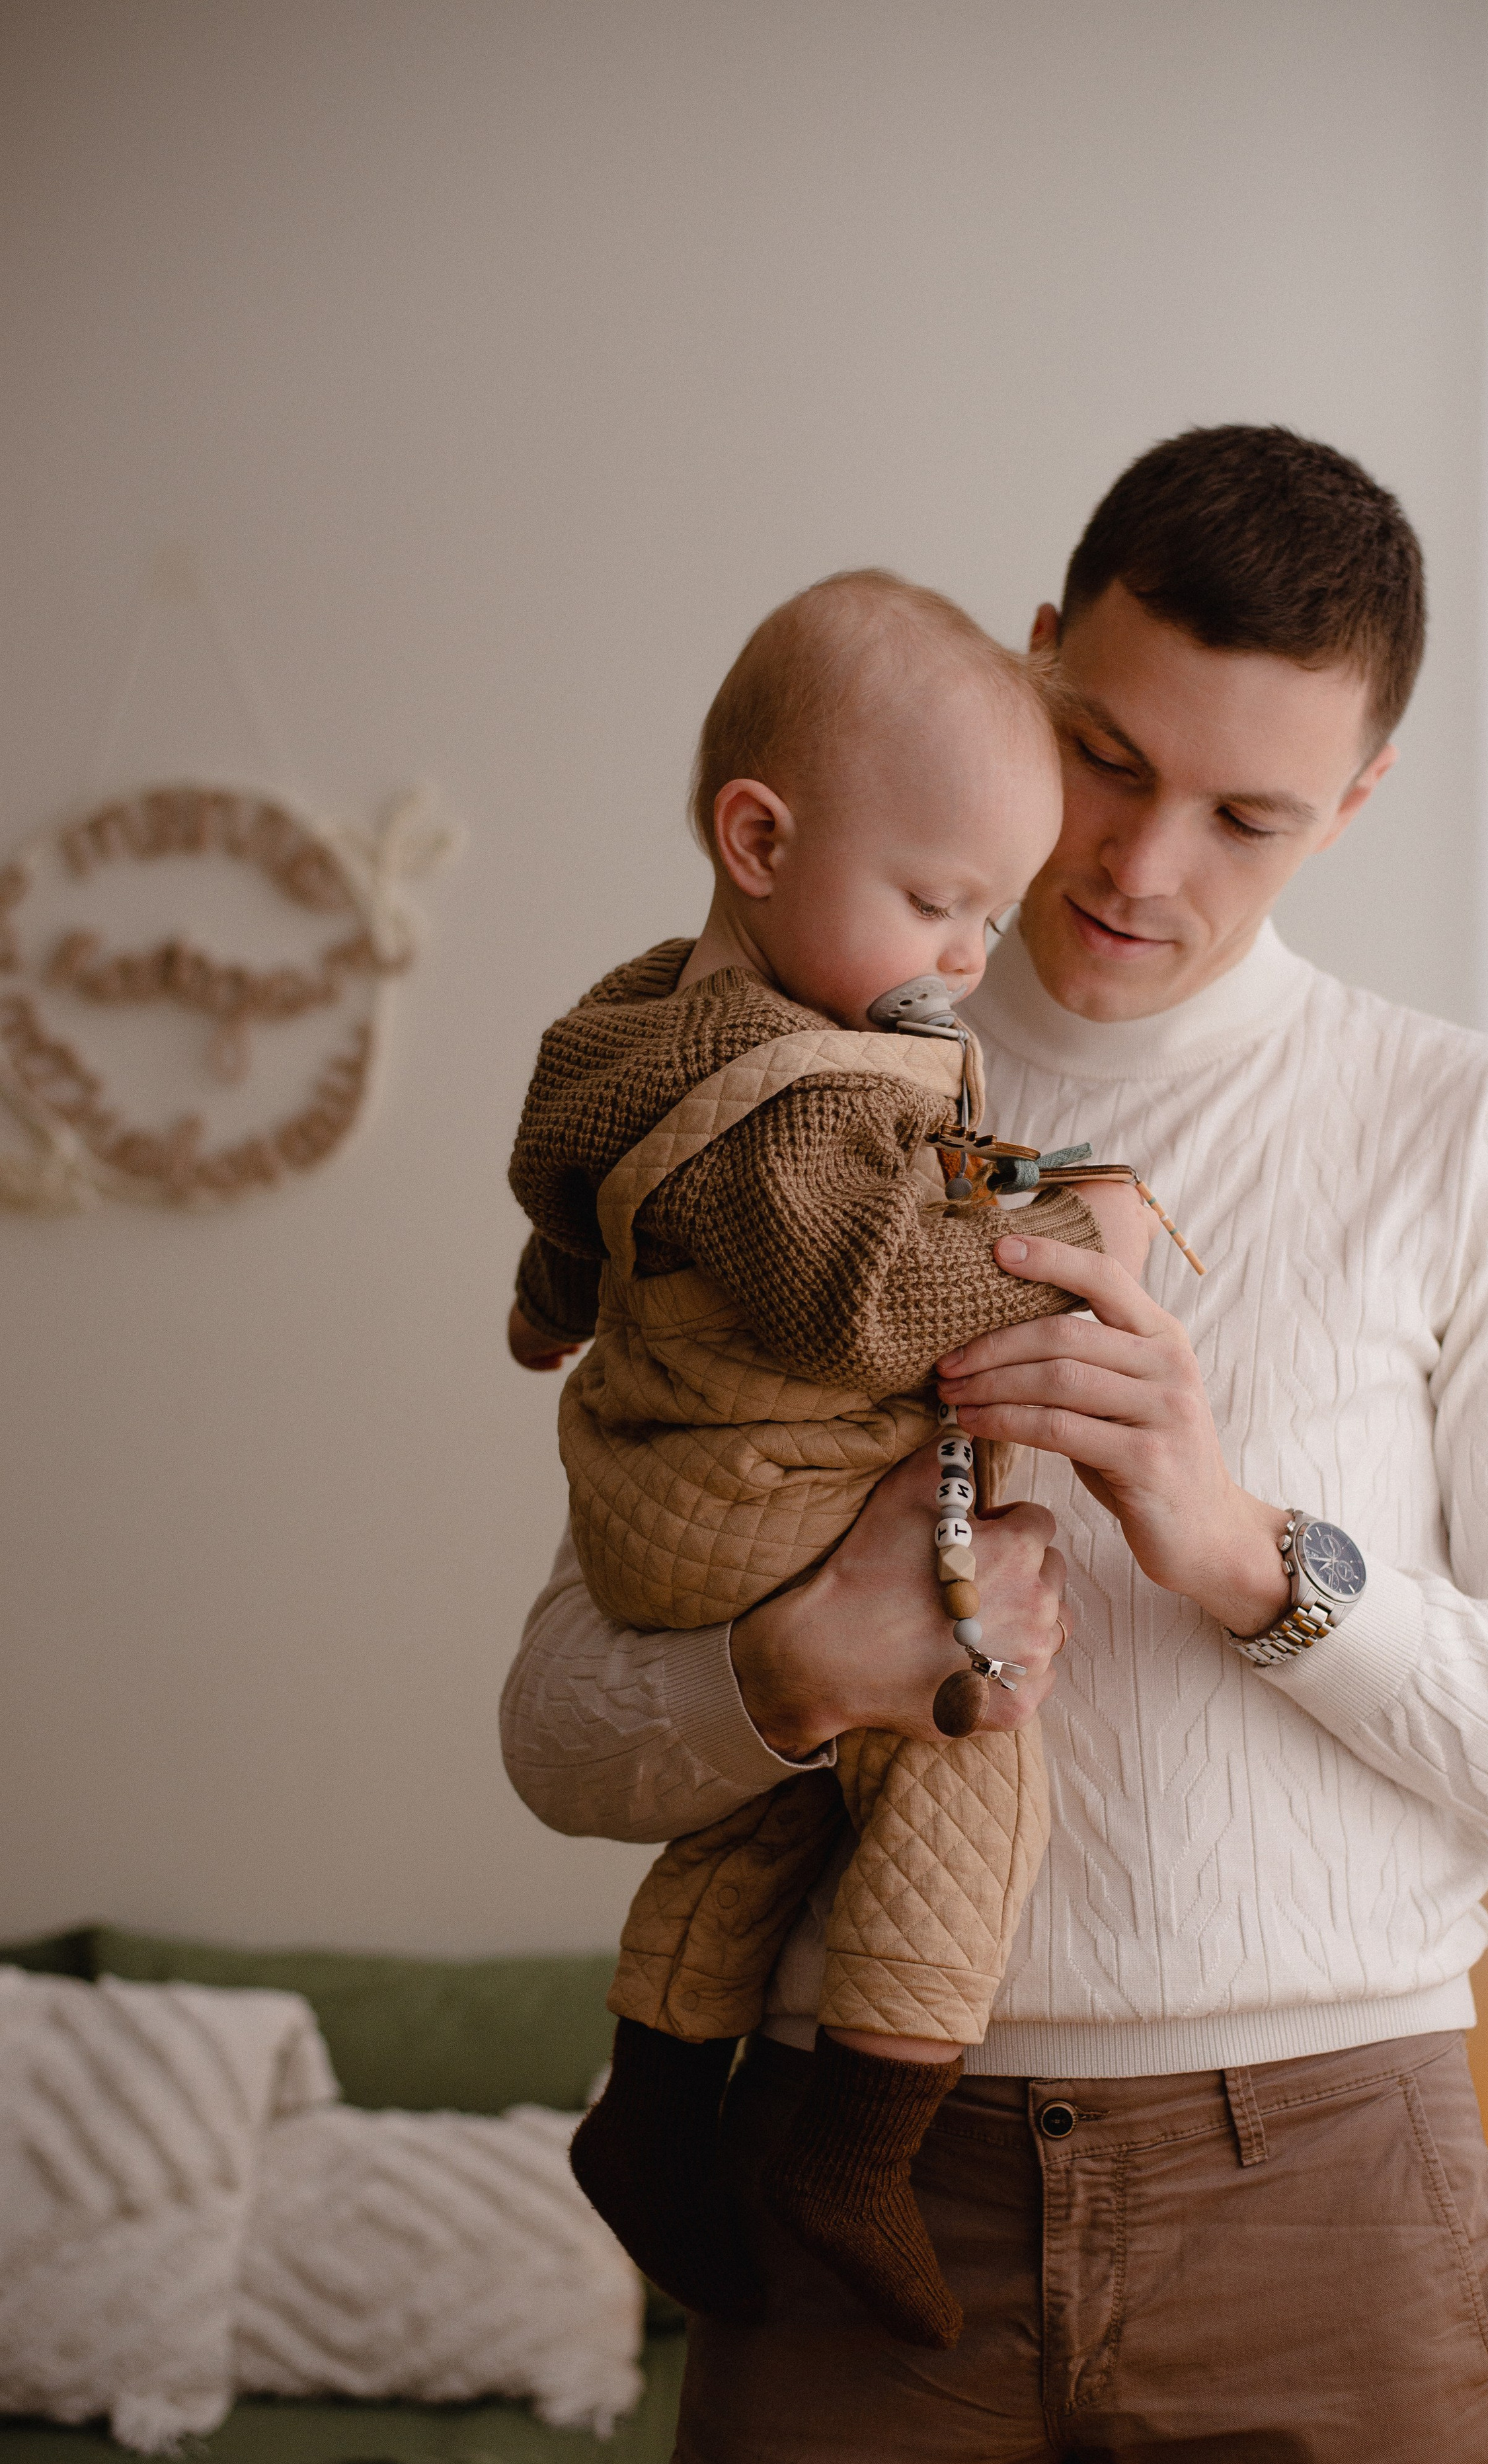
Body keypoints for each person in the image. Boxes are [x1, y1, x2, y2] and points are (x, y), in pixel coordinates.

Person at [500, 426, 1488, 2464]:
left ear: (1360, 804)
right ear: (1037, 662)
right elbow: (549, 1726)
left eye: (1251, 816)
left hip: (1328, 2182)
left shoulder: (1475, 1130)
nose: (1143, 868)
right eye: (1108, 760)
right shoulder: (789, 1058)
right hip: (853, 2189)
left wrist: (1247, 1555)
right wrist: (793, 1670)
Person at [504, 570, 1154, 2350]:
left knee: (787, 1792)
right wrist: (1070, 1230)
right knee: (965, 1749)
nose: (967, 958)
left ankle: (650, 2104)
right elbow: (874, 1299)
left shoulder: (634, 1024)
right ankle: (860, 2150)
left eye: (989, 913)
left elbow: (575, 1195)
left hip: (657, 1493)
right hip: (756, 1521)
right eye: (940, 904)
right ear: (760, 837)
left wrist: (552, 1299)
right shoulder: (791, 1097)